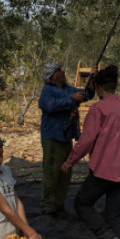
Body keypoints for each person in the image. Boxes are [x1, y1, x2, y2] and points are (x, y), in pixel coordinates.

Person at [62, 65, 120, 239]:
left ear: (98, 88)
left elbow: (87, 140)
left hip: (103, 170)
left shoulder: (99, 109)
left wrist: (69, 161)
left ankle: (105, 237)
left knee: (82, 203)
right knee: (114, 216)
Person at [38, 61, 90, 216]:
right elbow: (47, 105)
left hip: (66, 137)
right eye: (59, 70)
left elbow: (85, 95)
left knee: (65, 175)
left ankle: (59, 204)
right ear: (53, 76)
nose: (63, 72)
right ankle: (48, 205)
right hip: (53, 137)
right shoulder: (48, 90)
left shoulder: (68, 89)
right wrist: (71, 100)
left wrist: (92, 82)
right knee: (51, 172)